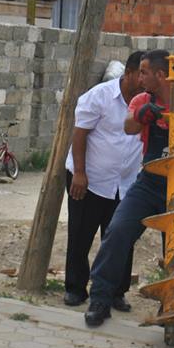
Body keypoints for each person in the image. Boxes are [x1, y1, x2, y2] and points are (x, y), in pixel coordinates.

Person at [84, 49, 174, 327]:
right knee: (118, 231)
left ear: (159, 74)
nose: (139, 77)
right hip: (150, 183)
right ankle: (100, 298)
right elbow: (129, 127)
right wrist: (143, 115)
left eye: (144, 72)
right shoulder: (142, 100)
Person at [63, 50, 145, 310]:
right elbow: (80, 134)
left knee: (121, 238)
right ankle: (75, 288)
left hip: (126, 184)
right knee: (80, 234)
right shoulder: (100, 96)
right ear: (129, 73)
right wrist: (79, 172)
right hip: (89, 180)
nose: (145, 80)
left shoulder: (148, 102)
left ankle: (116, 292)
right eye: (140, 74)